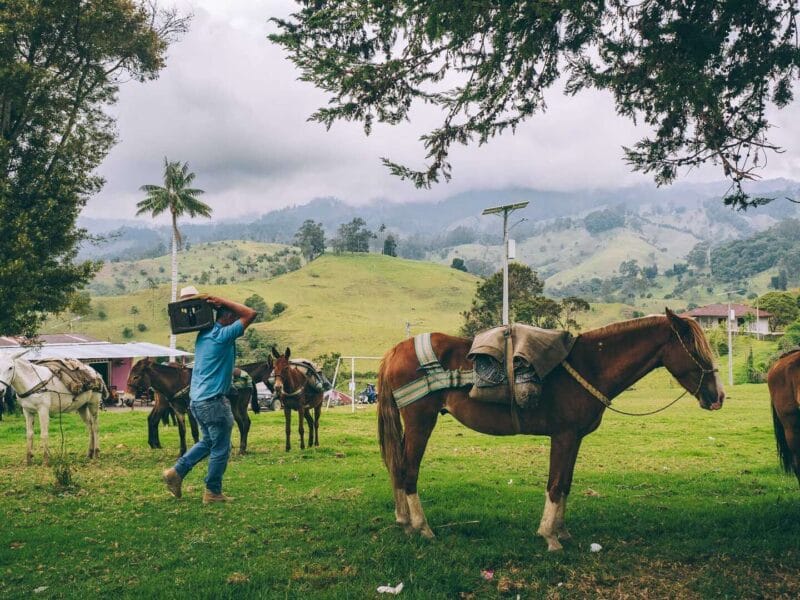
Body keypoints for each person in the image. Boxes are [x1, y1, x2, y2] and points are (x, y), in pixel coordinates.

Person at [162, 289, 257, 503]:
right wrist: (222, 301)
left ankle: (176, 473)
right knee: (222, 447)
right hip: (214, 402)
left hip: (197, 402)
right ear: (229, 317)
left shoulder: (204, 334)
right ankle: (212, 492)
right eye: (233, 315)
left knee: (207, 441)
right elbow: (250, 313)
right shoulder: (222, 336)